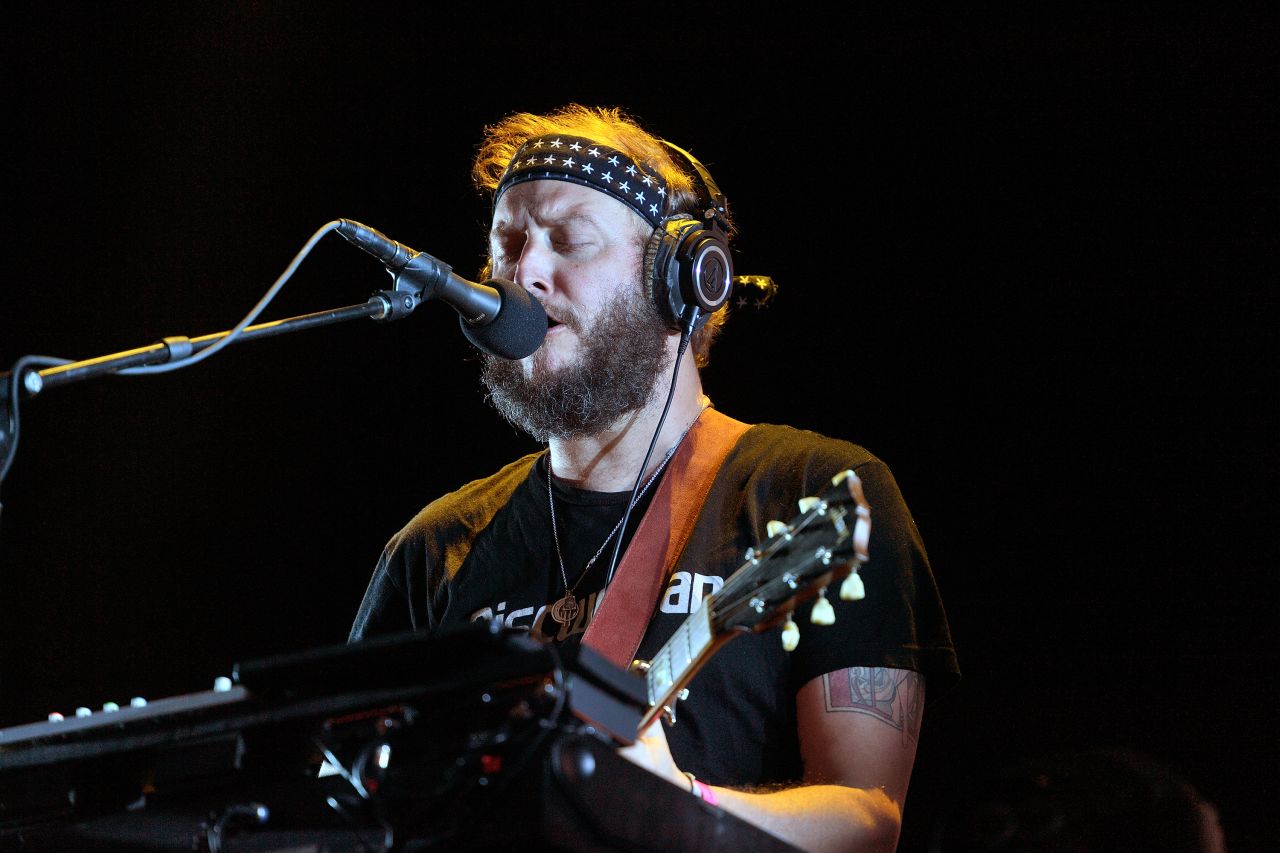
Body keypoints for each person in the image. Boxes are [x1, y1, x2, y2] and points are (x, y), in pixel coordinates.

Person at [350, 104, 959, 853]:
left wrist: (679, 801)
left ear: (682, 279)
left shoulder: (807, 488)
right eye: (507, 245)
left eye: (569, 240)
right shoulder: (431, 547)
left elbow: (867, 820)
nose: (525, 272)